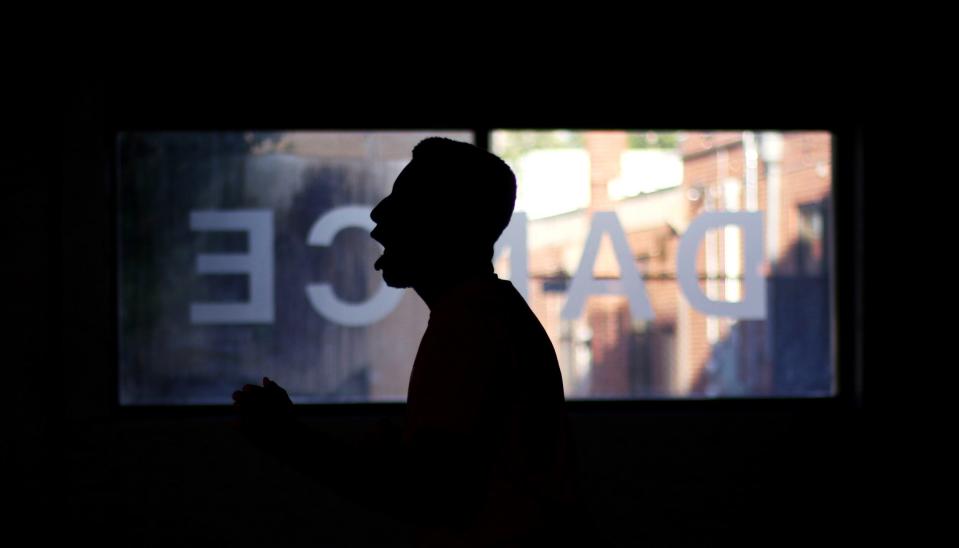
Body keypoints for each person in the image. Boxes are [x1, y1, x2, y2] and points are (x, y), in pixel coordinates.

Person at [233, 137, 602, 547]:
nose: (378, 214)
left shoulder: (470, 327)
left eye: (404, 201)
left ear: (446, 224)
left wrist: (290, 440)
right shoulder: (485, 316)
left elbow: (431, 496)